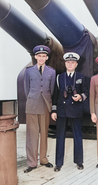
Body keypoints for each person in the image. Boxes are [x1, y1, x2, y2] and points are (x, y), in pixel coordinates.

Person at [51, 52, 88, 172]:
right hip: (62, 111)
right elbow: (55, 95)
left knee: (78, 136)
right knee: (60, 137)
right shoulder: (59, 77)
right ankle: (58, 163)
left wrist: (80, 97)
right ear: (65, 63)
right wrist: (54, 110)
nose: (70, 64)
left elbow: (86, 93)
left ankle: (79, 161)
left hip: (76, 110)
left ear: (76, 64)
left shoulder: (81, 77)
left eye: (72, 62)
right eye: (68, 62)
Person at [24, 45, 56, 173]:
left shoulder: (52, 72)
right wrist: (32, 99)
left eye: (44, 56)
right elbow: (27, 89)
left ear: (47, 57)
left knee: (44, 133)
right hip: (32, 105)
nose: (41, 58)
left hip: (45, 105)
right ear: (35, 56)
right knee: (32, 135)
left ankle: (43, 159)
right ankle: (32, 162)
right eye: (39, 56)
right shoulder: (28, 71)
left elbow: (52, 89)